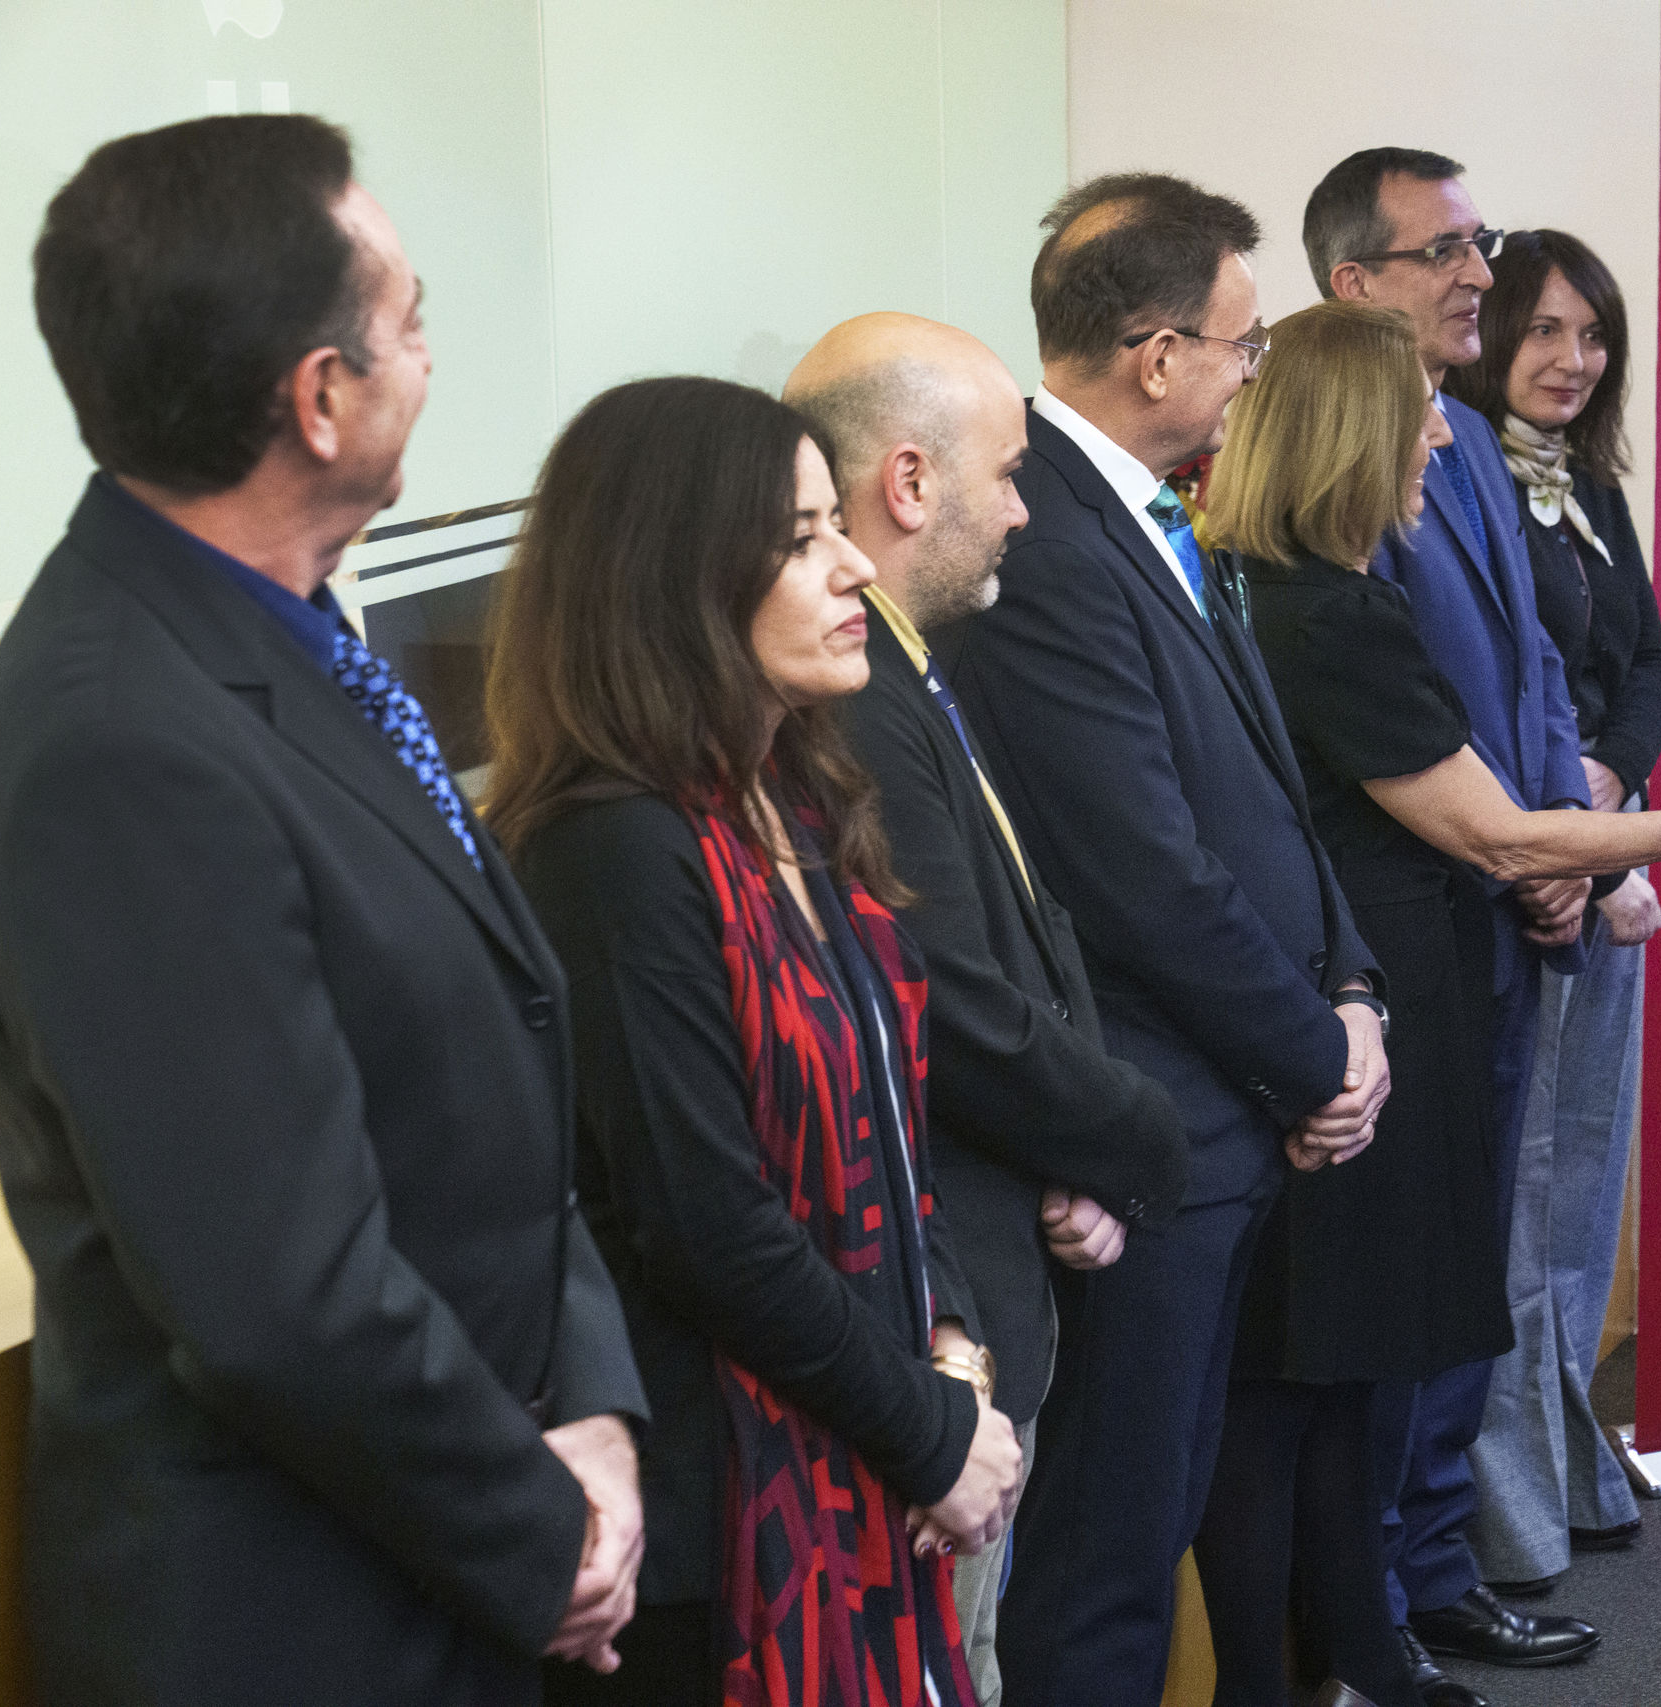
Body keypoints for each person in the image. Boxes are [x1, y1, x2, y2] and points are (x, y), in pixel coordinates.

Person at [0, 114, 648, 1705]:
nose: (430, 357)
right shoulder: (116, 740)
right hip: (302, 1621)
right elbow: (283, 1298)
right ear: (320, 400)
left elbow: (499, 1069)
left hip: (445, 1547)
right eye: (409, 321)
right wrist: (546, 1532)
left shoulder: (295, 637)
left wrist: (591, 1402)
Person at [1198, 299, 1661, 1707]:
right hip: (1362, 1022)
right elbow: (1500, 834)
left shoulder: (1305, 595)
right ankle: (1321, 1661)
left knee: (1355, 1375)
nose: (1444, 436)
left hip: (1400, 1003)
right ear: (1354, 436)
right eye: (1420, 417)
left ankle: (1361, 1642)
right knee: (1310, 1387)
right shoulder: (1324, 612)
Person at [484, 377, 1023, 1706]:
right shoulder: (612, 848)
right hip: (718, 1511)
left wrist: (952, 1344)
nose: (851, 567)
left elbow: (894, 1105)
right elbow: (702, 1222)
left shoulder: (794, 791)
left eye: (835, 525)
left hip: (866, 1423)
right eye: (797, 538)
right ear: (676, 580)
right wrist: (930, 1435)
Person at [939, 172, 1388, 1707]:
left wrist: (1347, 989)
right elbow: (1141, 874)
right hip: (1155, 1122)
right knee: (1109, 1566)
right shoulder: (1049, 538)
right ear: (1154, 352)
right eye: (1244, 344)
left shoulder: (1136, 506)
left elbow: (1265, 793)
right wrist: (1314, 1055)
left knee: (1165, 1518)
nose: (1252, 374)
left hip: (1227, 1109)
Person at [784, 312, 1193, 1704]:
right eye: (1009, 475)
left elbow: (1032, 930)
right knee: (958, 1658)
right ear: (910, 483)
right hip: (948, 1292)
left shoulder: (905, 667)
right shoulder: (856, 698)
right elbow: (949, 1002)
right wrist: (1137, 1142)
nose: (1025, 512)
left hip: (1006, 1243)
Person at [1302, 146, 1597, 1696]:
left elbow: (1535, 664)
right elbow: (1386, 716)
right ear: (1356, 283)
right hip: (1401, 928)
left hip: (1505, 910)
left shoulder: (1471, 441)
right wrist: (1528, 847)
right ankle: (1378, 1601)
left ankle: (1434, 1563)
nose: (1482, 274)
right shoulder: (1311, 462)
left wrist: (1565, 854)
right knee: (1405, 1287)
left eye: (1478, 243)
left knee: (1473, 1268)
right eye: (1447, 252)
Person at [1445, 228, 1661, 1595]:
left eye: (1592, 337)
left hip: (1601, 862)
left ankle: (1566, 1461)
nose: (1571, 361)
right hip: (1518, 883)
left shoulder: (1587, 486)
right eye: (1541, 332)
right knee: (1513, 1211)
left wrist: (1614, 779)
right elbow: (1473, 694)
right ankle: (1504, 1519)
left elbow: (1644, 661)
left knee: (1580, 1201)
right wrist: (1564, 819)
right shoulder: (1451, 483)